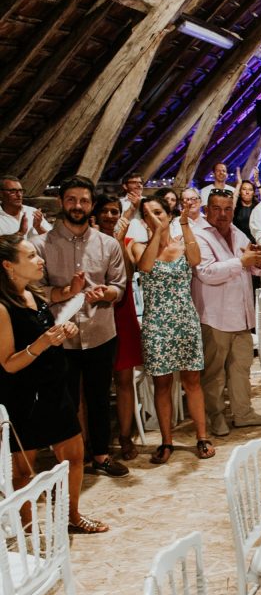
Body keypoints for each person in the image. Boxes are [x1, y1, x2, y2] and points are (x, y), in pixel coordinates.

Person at [0, 235, 108, 533]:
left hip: (53, 387)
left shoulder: (33, 295)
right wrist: (43, 342)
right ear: (9, 265)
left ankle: (72, 515)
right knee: (22, 471)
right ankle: (27, 530)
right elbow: (8, 363)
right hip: (23, 396)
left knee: (74, 456)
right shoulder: (2, 308)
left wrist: (64, 330)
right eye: (32, 256)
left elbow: (47, 335)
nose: (40, 261)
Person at [33, 176, 129, 478]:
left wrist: (107, 293)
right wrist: (63, 293)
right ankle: (69, 462)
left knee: (100, 397)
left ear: (91, 205)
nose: (78, 206)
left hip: (100, 332)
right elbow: (35, 291)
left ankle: (100, 456)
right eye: (72, 200)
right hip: (60, 337)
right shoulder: (40, 245)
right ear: (62, 202)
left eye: (84, 201)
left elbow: (120, 287)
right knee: (65, 401)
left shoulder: (108, 244)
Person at [131, 196, 214, 463]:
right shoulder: (138, 247)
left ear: (168, 214)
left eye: (157, 212)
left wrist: (185, 225)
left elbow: (196, 258)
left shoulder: (182, 244)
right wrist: (157, 231)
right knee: (162, 384)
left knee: (192, 382)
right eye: (147, 214)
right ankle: (167, 442)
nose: (153, 217)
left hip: (185, 320)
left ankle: (202, 437)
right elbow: (144, 266)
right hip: (156, 324)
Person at [192, 191, 261, 435]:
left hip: (241, 315)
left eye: (228, 209)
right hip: (214, 316)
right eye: (217, 209)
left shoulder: (238, 233)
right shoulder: (199, 236)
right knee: (214, 374)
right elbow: (206, 272)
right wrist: (242, 261)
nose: (222, 214)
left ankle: (243, 413)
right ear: (207, 209)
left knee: (241, 368)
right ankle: (215, 417)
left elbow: (255, 271)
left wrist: (259, 261)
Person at [92, 196, 143, 461]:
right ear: (97, 215)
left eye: (115, 211)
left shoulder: (127, 243)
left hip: (122, 312)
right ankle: (92, 440)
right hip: (96, 313)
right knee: (93, 384)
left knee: (124, 380)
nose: (111, 215)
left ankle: (125, 436)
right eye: (106, 211)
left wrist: (118, 241)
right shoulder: (89, 242)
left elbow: (129, 271)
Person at [233, 178, 258, 242]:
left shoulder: (258, 207)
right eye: (244, 189)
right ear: (239, 191)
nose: (247, 192)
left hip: (255, 243)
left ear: (254, 193)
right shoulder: (235, 207)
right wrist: (238, 184)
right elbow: (231, 205)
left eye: (250, 190)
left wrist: (258, 183)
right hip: (238, 242)